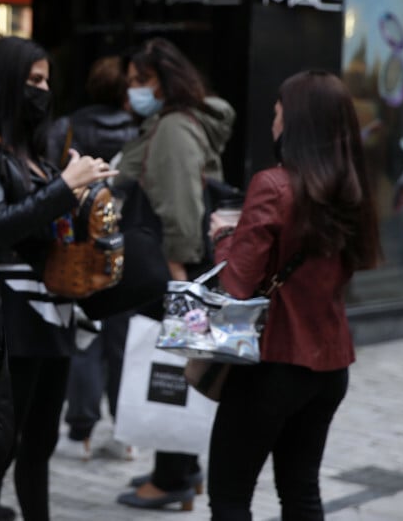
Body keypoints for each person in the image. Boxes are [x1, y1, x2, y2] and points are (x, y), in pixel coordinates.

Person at [0, 37, 118, 521]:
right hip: (7, 315)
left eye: (46, 81)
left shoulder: (33, 151)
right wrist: (66, 186)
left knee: (40, 443)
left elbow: (45, 224)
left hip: (53, 309)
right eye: (34, 80)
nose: (43, 90)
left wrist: (86, 192)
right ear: (6, 84)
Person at [206, 70, 380, 520]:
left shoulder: (274, 185)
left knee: (229, 497)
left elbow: (236, 284)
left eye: (277, 112)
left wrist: (224, 236)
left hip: (271, 365)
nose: (273, 121)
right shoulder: (353, 189)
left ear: (297, 122)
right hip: (330, 367)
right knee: (301, 493)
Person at [112, 37, 235, 511]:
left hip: (176, 266)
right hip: (184, 265)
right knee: (180, 363)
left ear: (163, 82)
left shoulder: (172, 129)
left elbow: (179, 203)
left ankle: (171, 479)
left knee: (172, 365)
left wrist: (180, 273)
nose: (134, 92)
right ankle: (183, 468)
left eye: (140, 82)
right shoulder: (181, 123)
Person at [45, 54, 141, 462]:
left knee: (84, 333)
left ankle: (79, 430)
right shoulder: (139, 133)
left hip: (78, 247)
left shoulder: (66, 127)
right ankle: (125, 433)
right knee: (123, 342)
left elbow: (51, 182)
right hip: (125, 245)